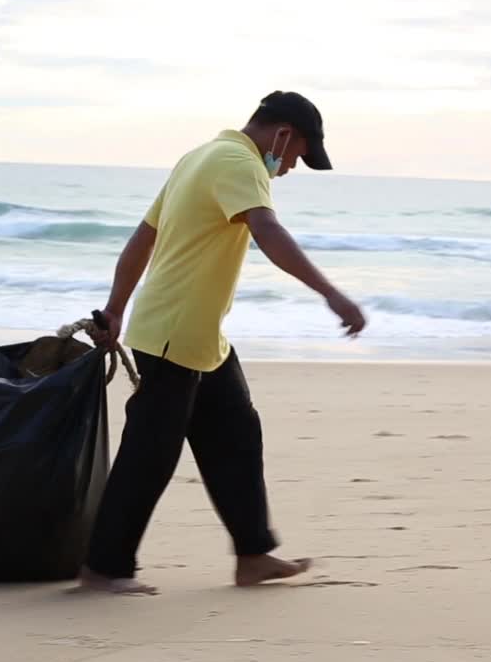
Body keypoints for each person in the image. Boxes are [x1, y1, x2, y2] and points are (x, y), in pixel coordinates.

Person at [80, 91, 367, 595]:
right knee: (150, 455)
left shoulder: (200, 156)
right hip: (175, 334)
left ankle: (253, 555)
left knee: (236, 436)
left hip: (197, 335)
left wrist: (117, 306)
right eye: (298, 154)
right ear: (282, 135)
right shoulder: (240, 161)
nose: (292, 167)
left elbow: (141, 238)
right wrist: (332, 293)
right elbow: (268, 229)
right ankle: (104, 568)